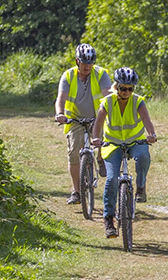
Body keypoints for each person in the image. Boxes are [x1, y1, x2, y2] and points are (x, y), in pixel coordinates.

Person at [92, 67, 157, 238]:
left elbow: (146, 120)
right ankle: (108, 220)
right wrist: (95, 139)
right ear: (117, 86)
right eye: (123, 88)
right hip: (112, 144)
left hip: (135, 141)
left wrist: (151, 134)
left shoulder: (138, 101)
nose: (127, 92)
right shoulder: (107, 102)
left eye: (130, 88)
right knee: (112, 179)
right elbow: (98, 123)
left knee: (143, 156)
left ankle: (141, 186)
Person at [54, 43, 111, 205]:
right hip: (75, 119)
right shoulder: (68, 76)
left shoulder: (101, 74)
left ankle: (100, 158)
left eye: (90, 62)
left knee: (102, 143)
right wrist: (60, 113)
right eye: (84, 62)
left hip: (97, 118)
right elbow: (61, 99)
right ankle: (76, 191)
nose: (87, 66)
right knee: (73, 153)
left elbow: (108, 95)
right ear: (77, 61)